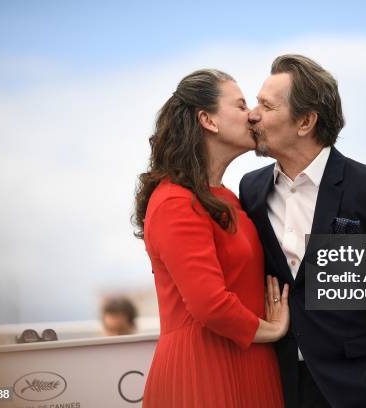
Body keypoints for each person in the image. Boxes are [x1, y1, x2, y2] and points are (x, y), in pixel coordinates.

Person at [239, 54, 366, 408]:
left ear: (305, 121)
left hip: (358, 390)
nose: (252, 114)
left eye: (266, 105)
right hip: (277, 388)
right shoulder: (250, 189)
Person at [133, 69, 288, 407]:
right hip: (203, 369)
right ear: (207, 120)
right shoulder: (175, 200)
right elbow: (210, 304)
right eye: (241, 104)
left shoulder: (230, 197)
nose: (252, 115)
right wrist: (272, 330)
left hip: (249, 363)